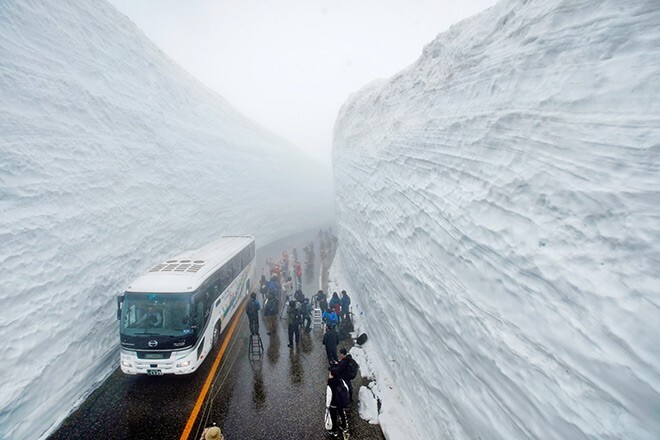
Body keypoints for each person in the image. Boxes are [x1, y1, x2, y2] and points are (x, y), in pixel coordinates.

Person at [326, 370, 349, 438]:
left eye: (330, 374)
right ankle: (344, 426)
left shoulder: (330, 383)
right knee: (341, 413)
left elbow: (329, 396)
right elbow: (346, 389)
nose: (329, 375)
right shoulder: (341, 381)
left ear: (332, 375)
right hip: (340, 403)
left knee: (333, 417)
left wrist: (327, 406)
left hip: (333, 404)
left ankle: (334, 431)